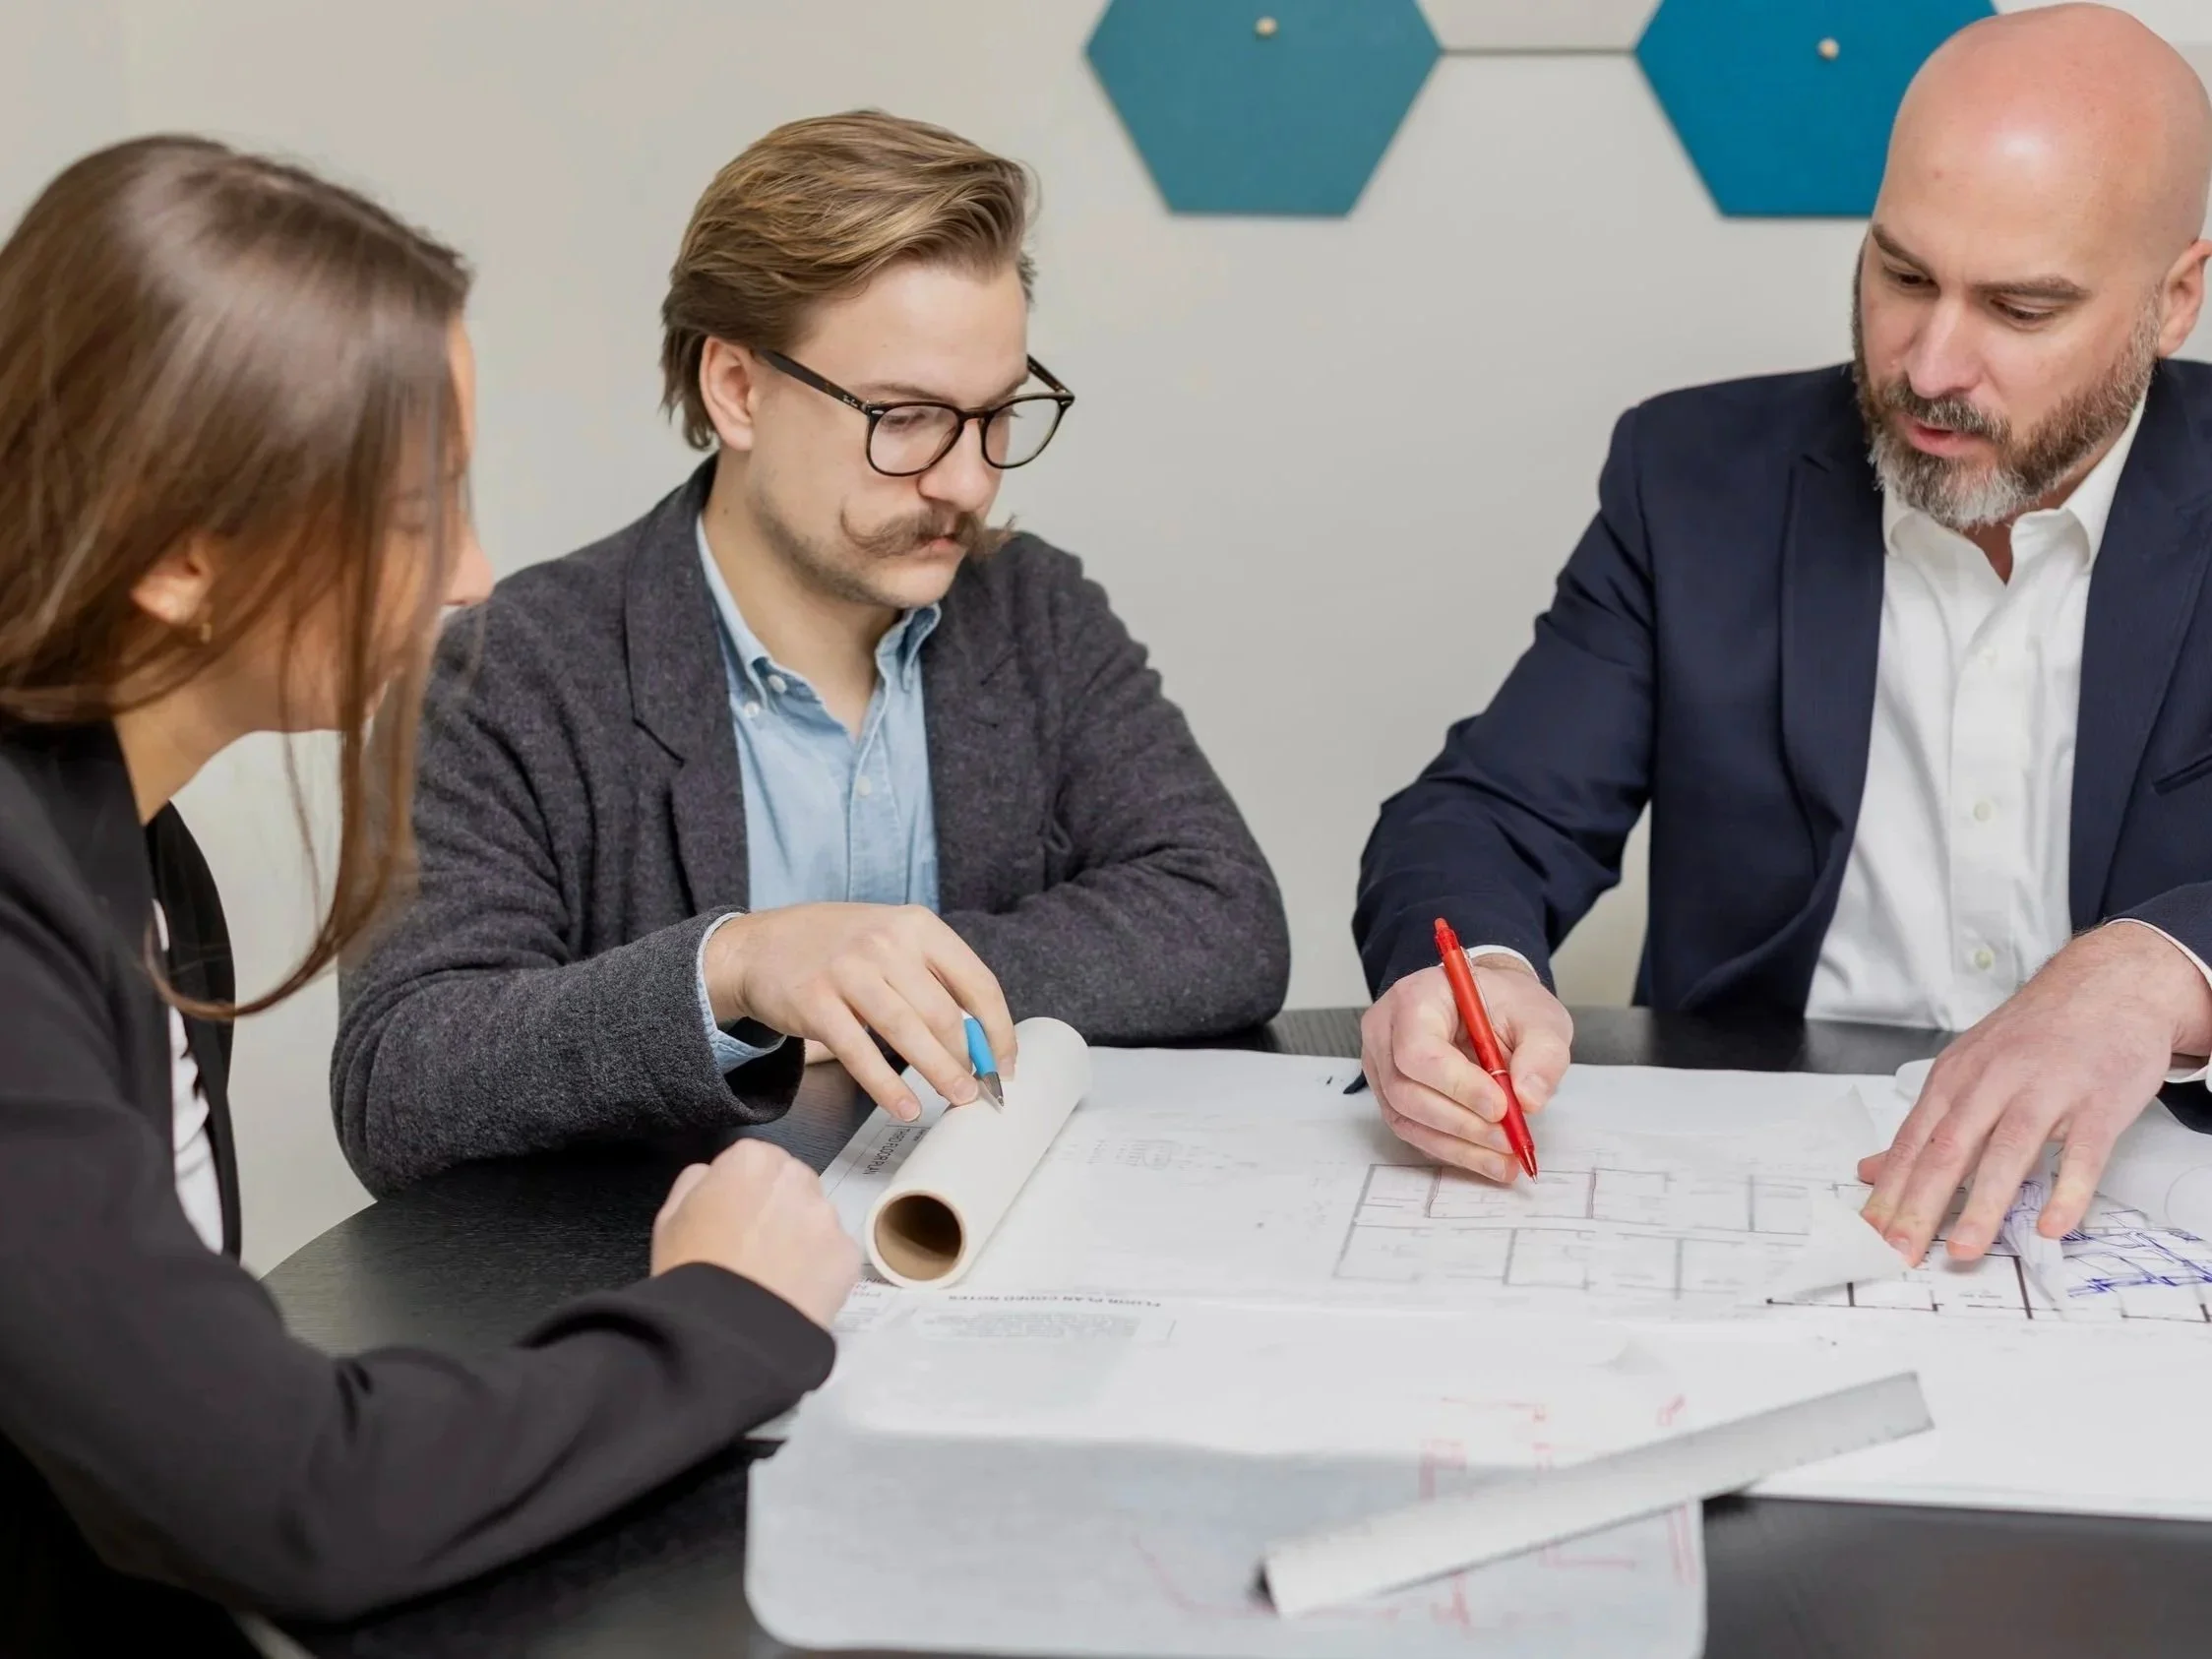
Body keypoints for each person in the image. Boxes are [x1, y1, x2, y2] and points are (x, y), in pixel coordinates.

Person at [0, 136, 871, 1655]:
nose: (472, 574)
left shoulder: (133, 849)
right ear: (181, 554)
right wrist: (724, 1312)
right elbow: (291, 1492)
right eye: (418, 513)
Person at [1354, 4, 2212, 1272]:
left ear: (2173, 300)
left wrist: (2168, 966)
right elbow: (1488, 814)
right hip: (1764, 1191)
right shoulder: (1693, 476)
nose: (1931, 366)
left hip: (2143, 1208)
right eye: (1902, 276)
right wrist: (1470, 972)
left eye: (2020, 309)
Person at [334, 110, 1290, 1195]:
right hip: (656, 1279)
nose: (969, 481)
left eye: (997, 414)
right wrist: (738, 971)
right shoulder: (506, 672)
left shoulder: (1034, 609)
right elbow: (399, 1078)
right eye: (907, 417)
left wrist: (867, 986)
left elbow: (1225, 920)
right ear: (736, 389)